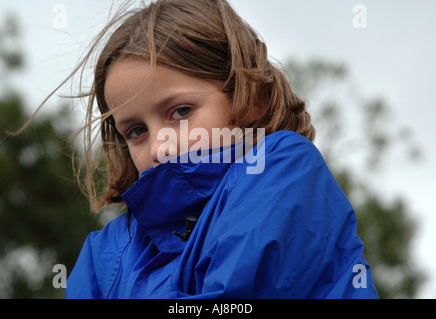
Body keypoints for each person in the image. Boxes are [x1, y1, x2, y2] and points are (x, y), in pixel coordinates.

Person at [54, 0, 378, 298]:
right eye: (136, 131)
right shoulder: (106, 252)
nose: (159, 148)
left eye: (180, 112)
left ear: (250, 98)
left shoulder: (282, 167)